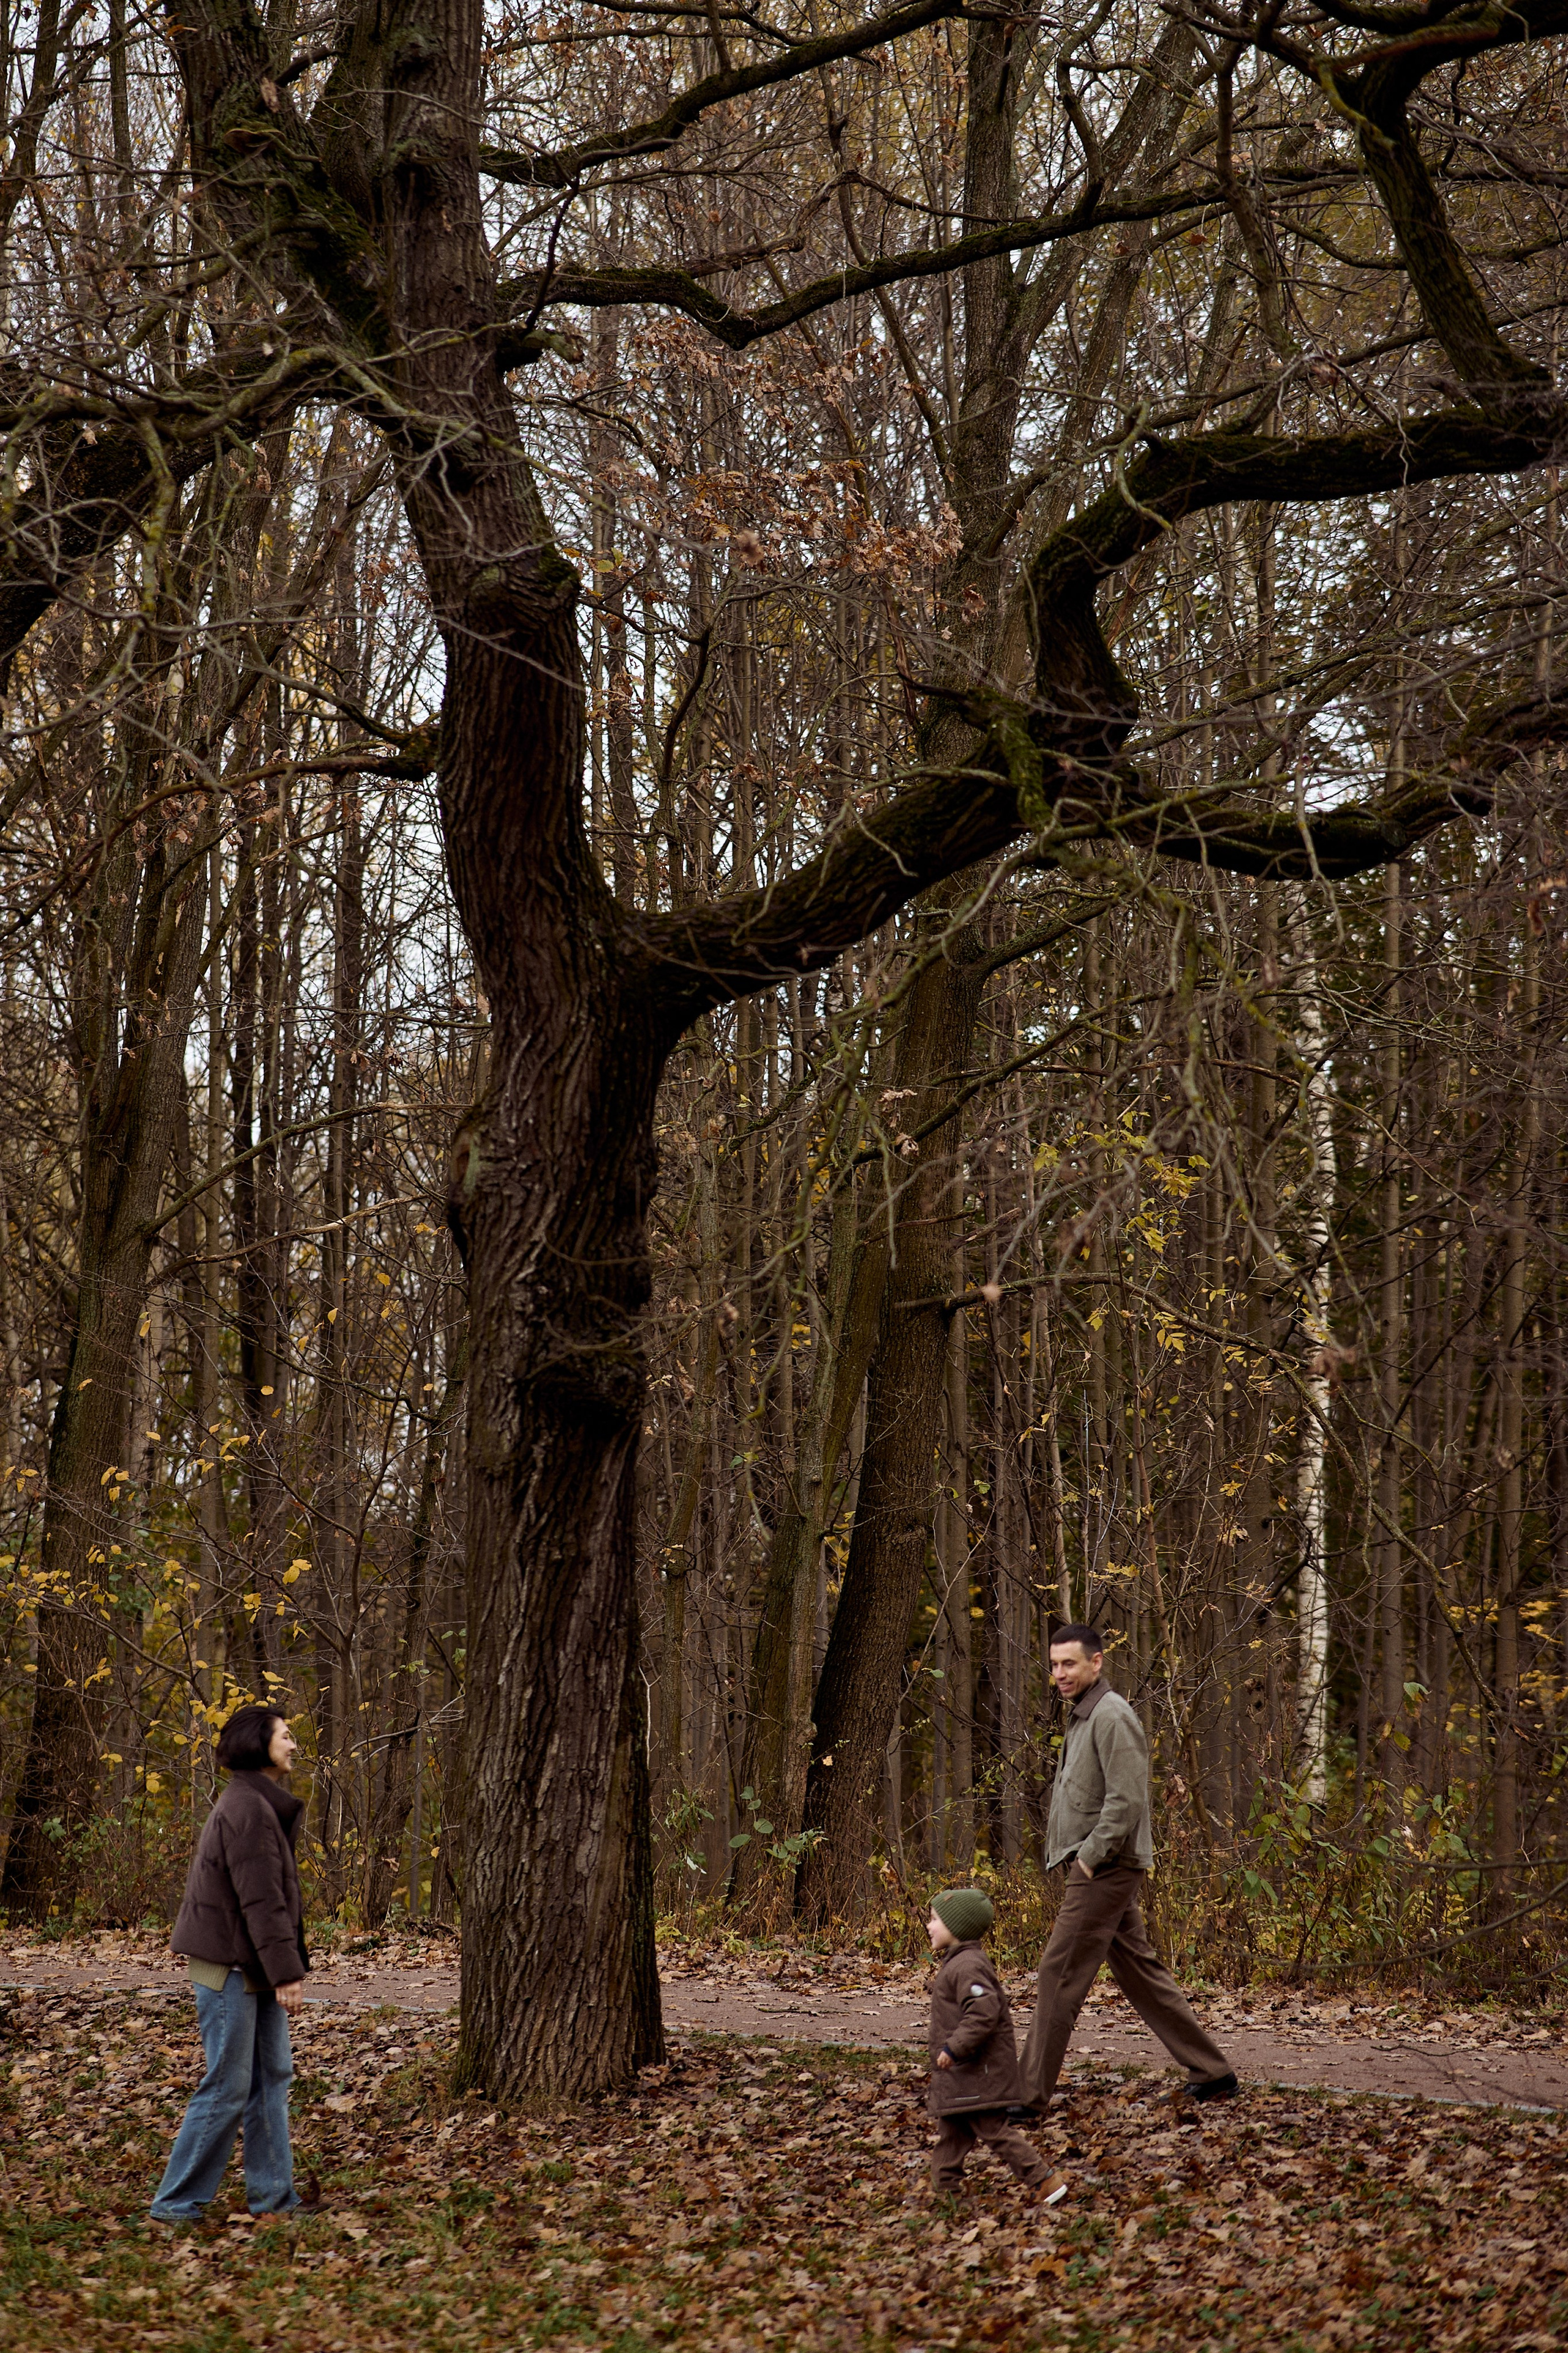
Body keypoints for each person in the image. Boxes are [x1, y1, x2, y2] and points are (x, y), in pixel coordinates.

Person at [1017, 1627, 1237, 2110]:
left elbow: (1127, 1800)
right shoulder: (1085, 1714)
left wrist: (1090, 1858)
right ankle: (1212, 2072)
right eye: (1054, 1665)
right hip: (1098, 1863)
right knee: (1140, 1971)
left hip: (1106, 1866)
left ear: (1096, 1663)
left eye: (1069, 1664)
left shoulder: (1112, 1715)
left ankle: (1028, 2093)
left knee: (1058, 1971)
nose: (1059, 1674)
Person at [150, 1704, 313, 2227]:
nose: (293, 1745)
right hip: (230, 1970)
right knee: (228, 2086)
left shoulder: (257, 1803)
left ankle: (275, 2200)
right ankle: (175, 2204)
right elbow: (261, 1900)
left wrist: (279, 1968)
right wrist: (287, 1972)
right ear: (257, 1744)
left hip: (250, 1965)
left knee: (272, 2077)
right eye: (285, 1736)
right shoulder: (247, 1809)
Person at [925, 1887, 1068, 2203]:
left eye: (935, 1919)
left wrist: (954, 2048)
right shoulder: (960, 1962)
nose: (929, 1926)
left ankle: (1043, 2179)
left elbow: (983, 2012)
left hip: (978, 2073)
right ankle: (946, 2194)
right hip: (964, 2076)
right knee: (952, 2134)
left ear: (957, 1927)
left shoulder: (968, 1966)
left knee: (994, 2130)